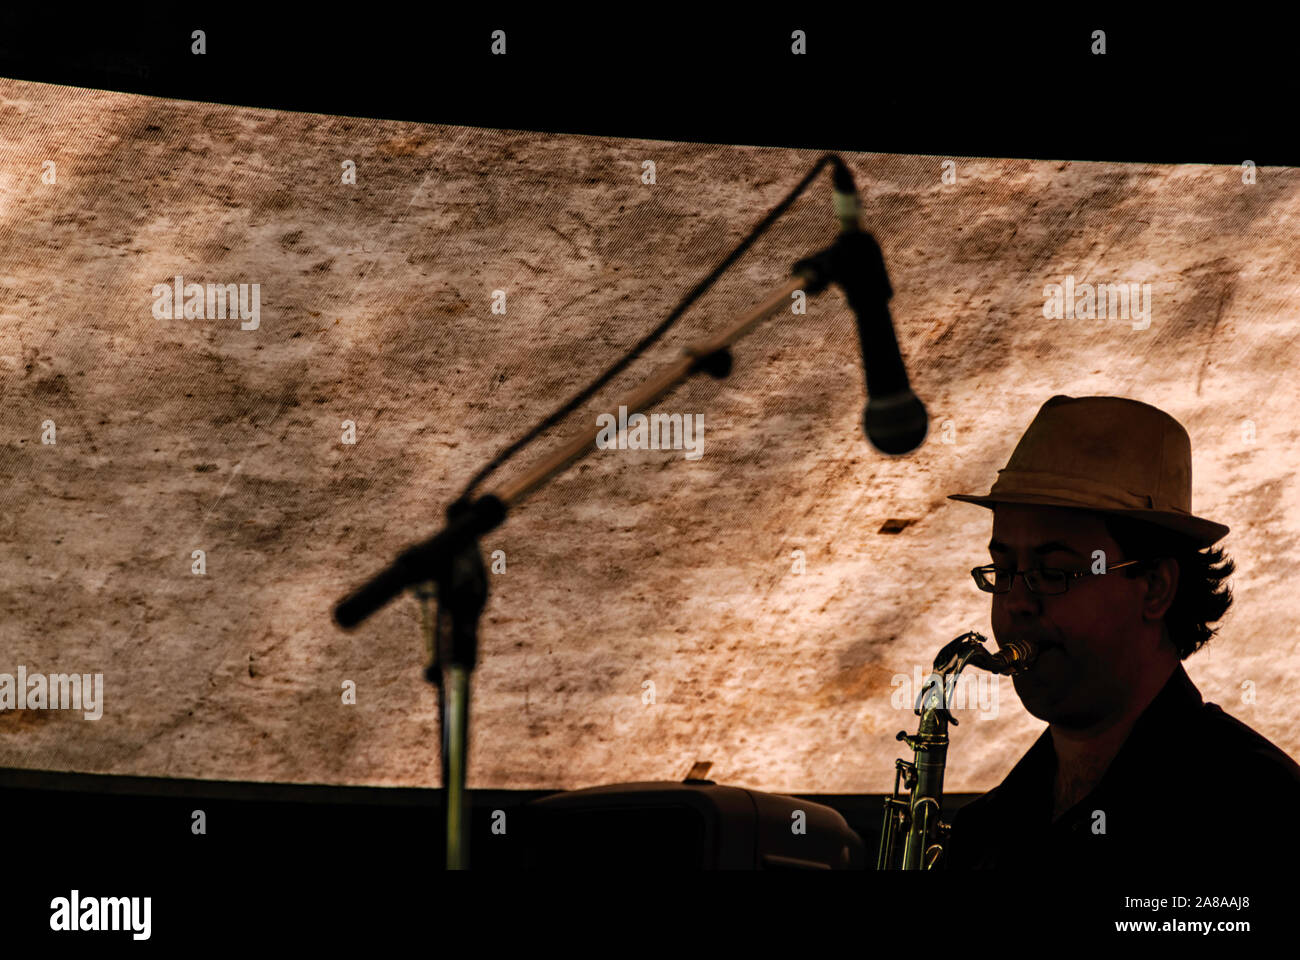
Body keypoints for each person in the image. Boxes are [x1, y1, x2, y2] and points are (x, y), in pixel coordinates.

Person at [940, 395, 1300, 872]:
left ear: (1155, 587)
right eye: (1004, 569)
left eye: (1053, 572)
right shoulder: (983, 831)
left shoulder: (1261, 811)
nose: (1016, 603)